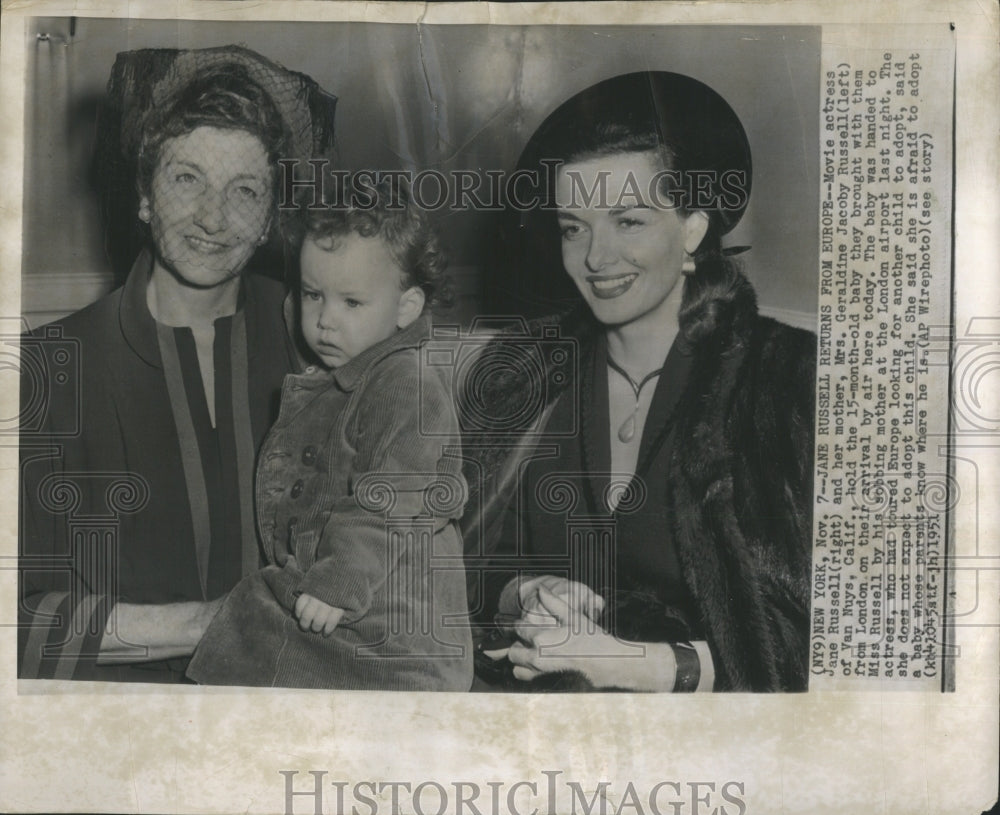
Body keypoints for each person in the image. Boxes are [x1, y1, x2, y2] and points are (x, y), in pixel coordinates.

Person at [462, 71, 815, 692]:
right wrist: (526, 592)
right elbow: (469, 562)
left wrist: (629, 662)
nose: (595, 258)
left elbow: (813, 645)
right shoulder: (525, 377)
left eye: (628, 221)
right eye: (574, 227)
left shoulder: (786, 381)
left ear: (693, 230)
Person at [17, 46, 337, 682]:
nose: (213, 218)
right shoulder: (46, 372)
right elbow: (15, 622)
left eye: (244, 191)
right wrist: (204, 623)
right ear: (143, 194)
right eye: (187, 179)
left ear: (272, 215)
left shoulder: (322, 342)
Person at [185, 182, 473, 690]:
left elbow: (389, 496)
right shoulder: (346, 372)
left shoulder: (407, 381)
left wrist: (337, 582)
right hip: (346, 609)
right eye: (313, 295)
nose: (324, 320)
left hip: (396, 633)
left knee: (250, 627)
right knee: (248, 622)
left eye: (352, 302)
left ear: (406, 308)